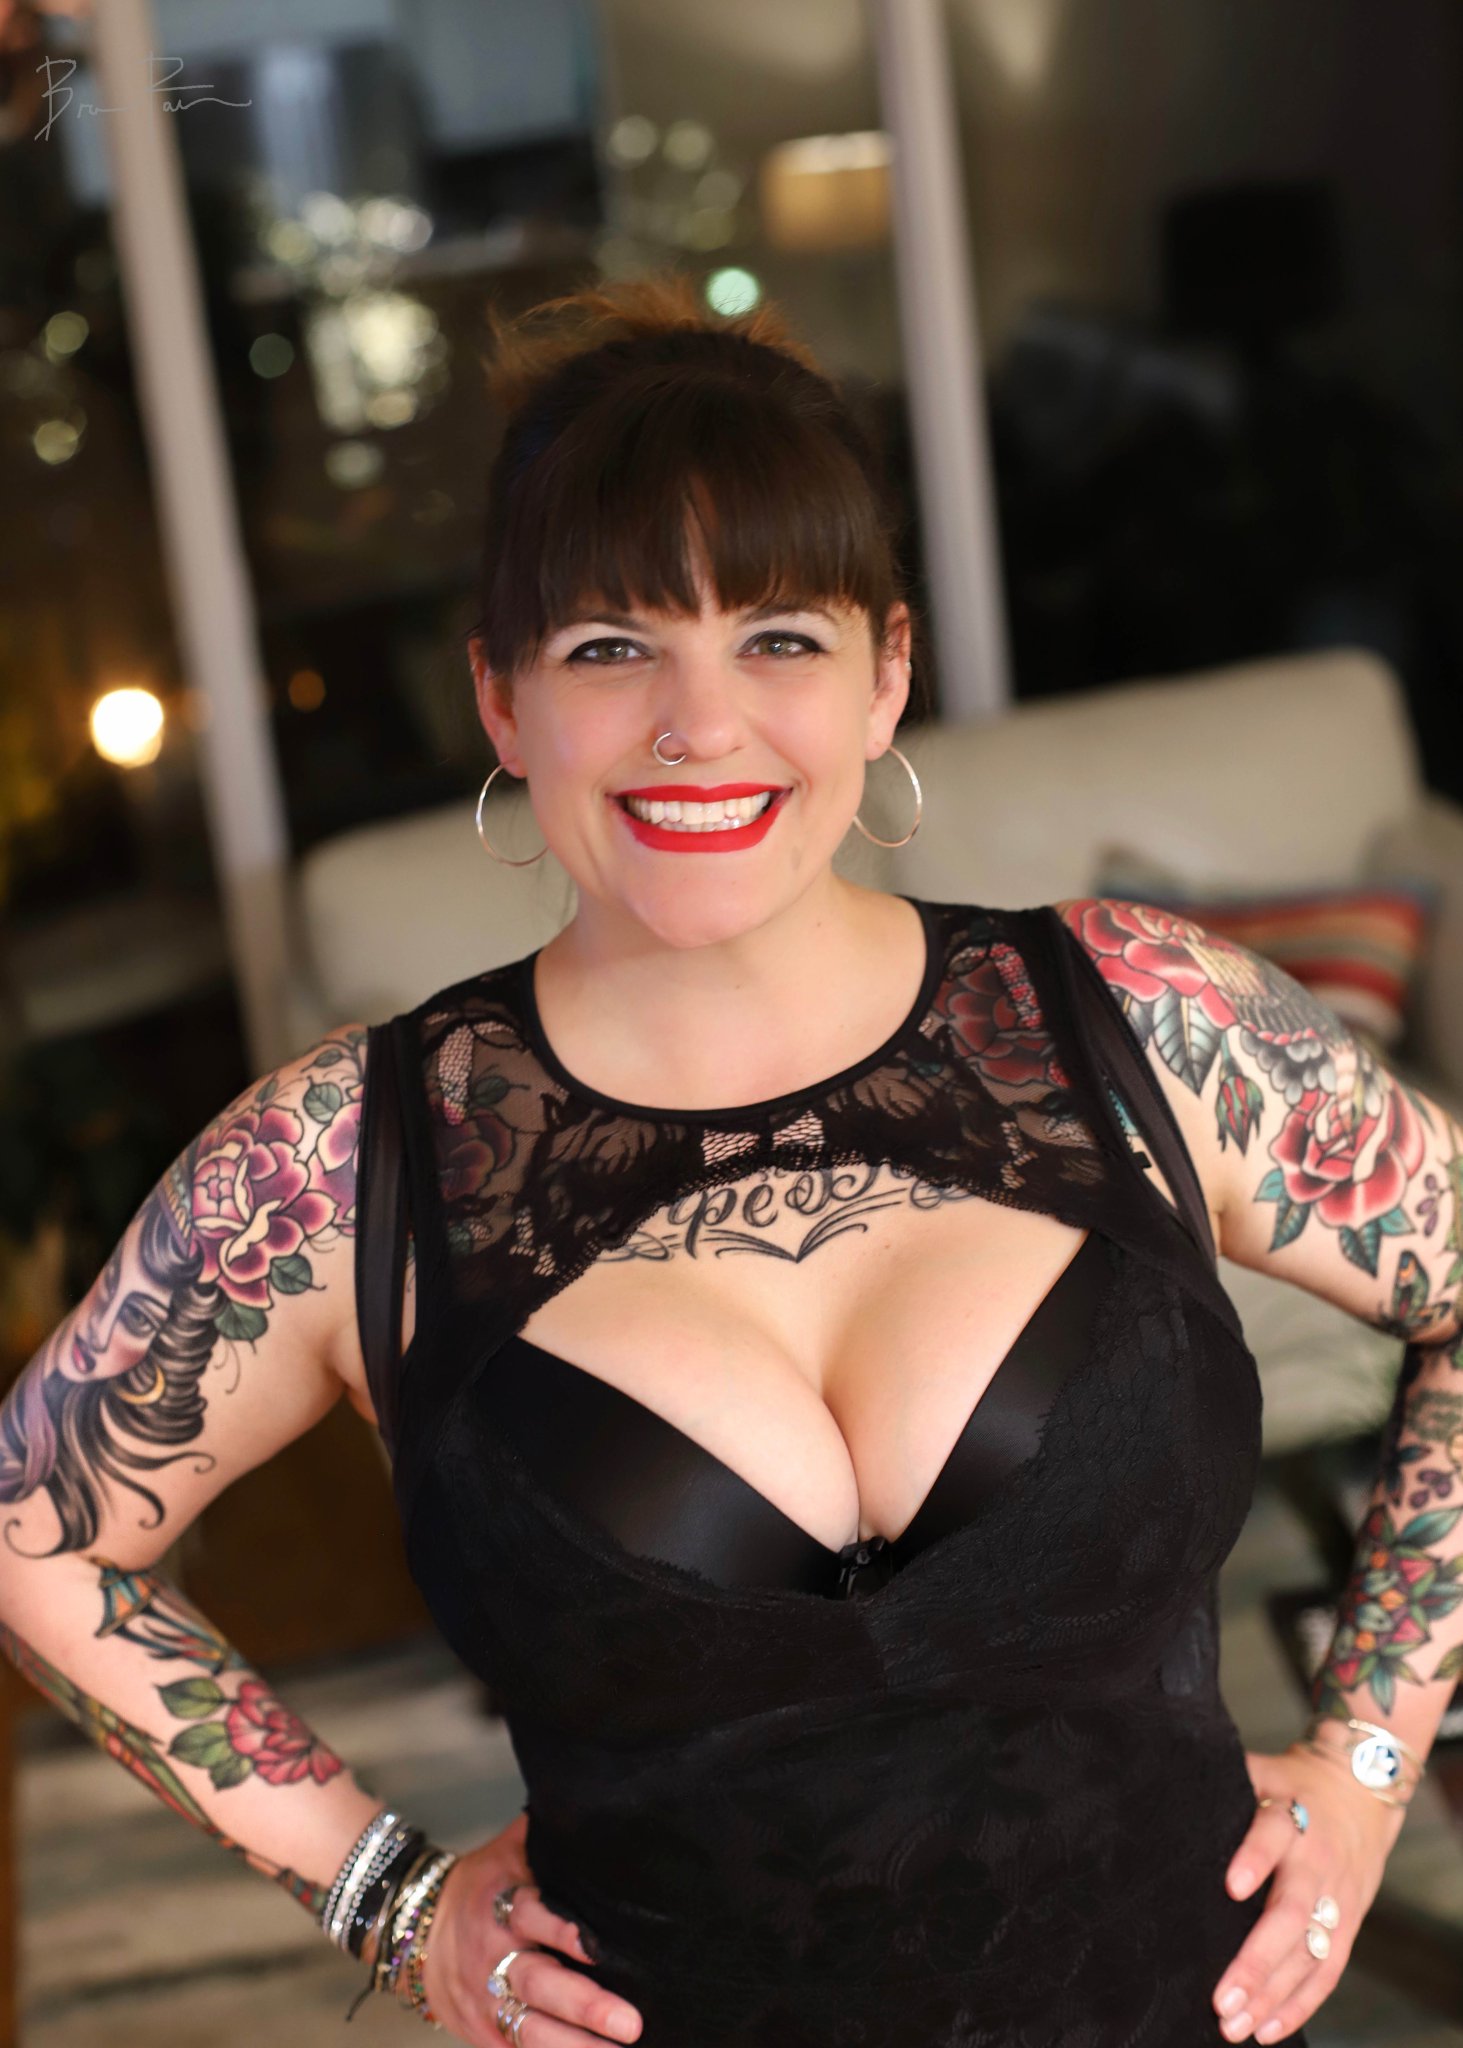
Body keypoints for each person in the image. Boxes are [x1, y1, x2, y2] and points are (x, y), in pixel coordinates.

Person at [2, 272, 1460, 2048]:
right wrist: (381, 1889)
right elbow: (33, 1538)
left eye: (778, 637)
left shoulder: (1137, 1016)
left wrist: (1371, 1757)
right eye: (610, 648)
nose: (700, 725)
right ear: (501, 702)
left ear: (886, 675)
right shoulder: (346, 1162)